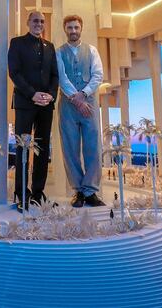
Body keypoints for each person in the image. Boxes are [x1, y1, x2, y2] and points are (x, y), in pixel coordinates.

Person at [7, 10, 58, 211]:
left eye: (42, 21)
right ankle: (22, 194)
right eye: (35, 20)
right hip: (25, 103)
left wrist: (51, 95)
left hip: (46, 105)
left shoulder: (50, 47)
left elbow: (55, 75)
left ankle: (38, 193)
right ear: (28, 22)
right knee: (23, 149)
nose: (39, 24)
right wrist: (32, 94)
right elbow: (15, 72)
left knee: (43, 150)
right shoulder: (17, 42)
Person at [56, 14, 105, 207]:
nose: (73, 31)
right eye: (70, 28)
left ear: (81, 28)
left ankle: (91, 191)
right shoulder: (59, 52)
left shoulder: (92, 50)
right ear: (65, 29)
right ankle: (78, 191)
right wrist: (76, 99)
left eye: (76, 27)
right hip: (68, 106)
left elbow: (97, 75)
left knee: (93, 147)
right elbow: (61, 78)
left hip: (89, 105)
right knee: (70, 149)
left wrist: (83, 94)